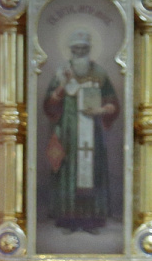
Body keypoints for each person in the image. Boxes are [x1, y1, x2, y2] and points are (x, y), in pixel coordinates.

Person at [42, 31, 120, 233]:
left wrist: (101, 110)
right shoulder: (62, 72)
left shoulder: (100, 73)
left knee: (92, 171)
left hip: (93, 132)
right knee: (68, 171)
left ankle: (91, 220)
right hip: (68, 132)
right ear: (71, 50)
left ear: (89, 49)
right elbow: (49, 105)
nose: (79, 52)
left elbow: (113, 104)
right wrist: (63, 85)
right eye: (76, 49)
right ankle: (68, 220)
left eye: (83, 49)